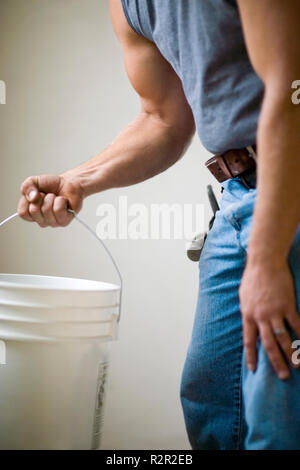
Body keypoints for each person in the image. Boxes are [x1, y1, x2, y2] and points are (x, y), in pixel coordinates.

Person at [17, 0, 300, 450]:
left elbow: (289, 89)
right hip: (238, 194)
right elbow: (163, 117)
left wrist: (267, 260)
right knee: (212, 403)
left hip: (291, 178)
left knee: (277, 411)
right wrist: (77, 182)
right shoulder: (127, 5)